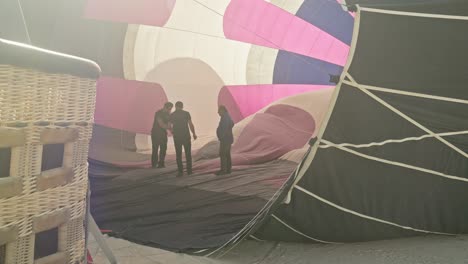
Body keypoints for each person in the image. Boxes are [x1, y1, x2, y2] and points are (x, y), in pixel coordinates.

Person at [170, 101, 197, 176]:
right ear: (182, 106)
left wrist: (172, 131)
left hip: (177, 137)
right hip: (186, 136)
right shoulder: (186, 113)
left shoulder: (172, 115)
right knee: (188, 154)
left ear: (175, 106)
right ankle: (189, 171)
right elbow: (190, 124)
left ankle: (180, 171)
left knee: (178, 154)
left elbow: (170, 125)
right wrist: (194, 133)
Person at [151, 102, 173, 168]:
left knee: (163, 148)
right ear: (164, 107)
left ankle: (161, 163)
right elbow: (161, 124)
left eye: (170, 109)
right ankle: (154, 164)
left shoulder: (169, 115)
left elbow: (169, 125)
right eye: (168, 109)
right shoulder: (158, 113)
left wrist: (172, 130)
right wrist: (169, 128)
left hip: (163, 134)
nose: (169, 110)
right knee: (155, 149)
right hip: (155, 133)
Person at [216, 105, 234, 175]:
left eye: (219, 111)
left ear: (222, 110)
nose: (218, 112)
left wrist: (221, 136)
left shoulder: (225, 118)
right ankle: (228, 169)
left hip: (225, 139)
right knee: (227, 154)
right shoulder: (227, 116)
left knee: (222, 153)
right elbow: (232, 123)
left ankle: (223, 170)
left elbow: (224, 128)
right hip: (227, 138)